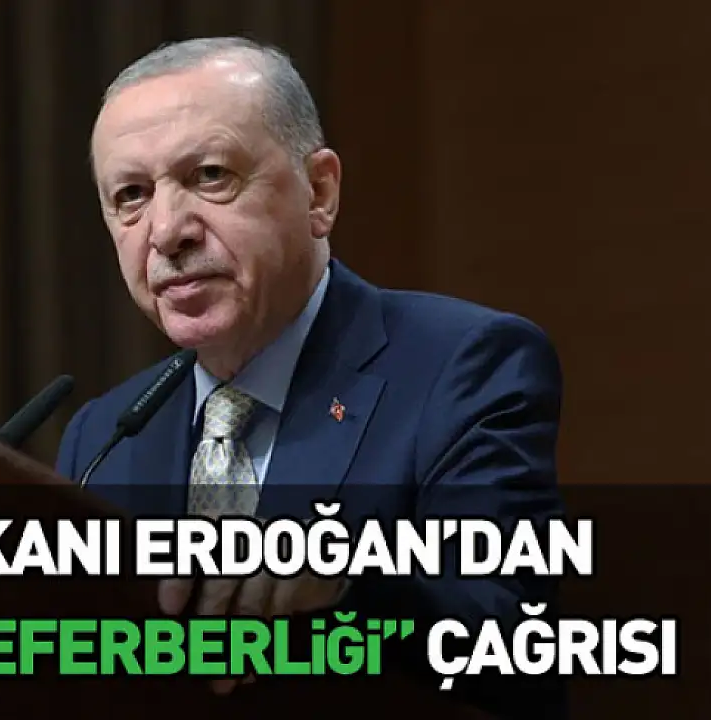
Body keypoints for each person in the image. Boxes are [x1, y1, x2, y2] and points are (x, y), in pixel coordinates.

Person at [55, 37, 566, 716]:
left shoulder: (464, 366)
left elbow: (512, 646)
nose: (167, 231)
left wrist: (345, 589)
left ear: (319, 193)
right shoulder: (101, 441)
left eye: (210, 175)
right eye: (132, 195)